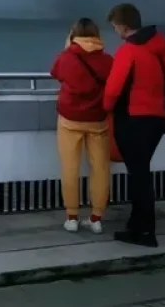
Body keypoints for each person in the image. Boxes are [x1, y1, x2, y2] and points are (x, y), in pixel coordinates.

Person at [103, 3, 165, 247]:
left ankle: (145, 232)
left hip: (133, 120)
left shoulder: (129, 51)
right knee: (141, 173)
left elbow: (113, 90)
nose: (116, 33)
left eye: (115, 28)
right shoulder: (161, 45)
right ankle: (136, 226)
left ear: (123, 26)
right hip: (157, 118)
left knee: (139, 177)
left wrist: (106, 107)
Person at [49, 18, 113, 234]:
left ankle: (72, 217)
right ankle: (96, 218)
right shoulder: (107, 60)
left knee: (70, 167)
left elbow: (56, 74)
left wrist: (68, 48)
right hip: (98, 120)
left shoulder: (66, 57)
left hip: (69, 119)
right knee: (101, 168)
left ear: (72, 35)